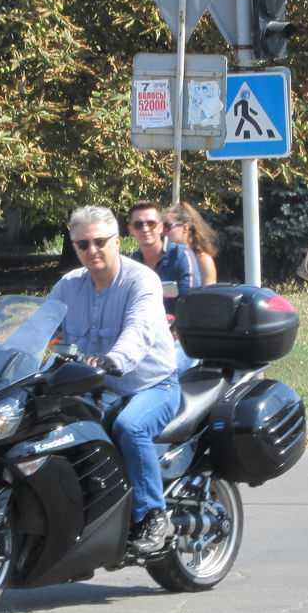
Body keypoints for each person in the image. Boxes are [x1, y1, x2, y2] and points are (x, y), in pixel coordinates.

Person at [48, 205, 180, 553]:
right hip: (95, 387)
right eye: (83, 244)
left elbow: (139, 331)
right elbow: (38, 328)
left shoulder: (141, 281)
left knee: (130, 427)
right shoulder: (67, 286)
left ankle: (153, 516)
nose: (92, 250)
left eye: (100, 241)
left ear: (118, 241)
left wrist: (112, 359)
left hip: (151, 384)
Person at [127, 201, 201, 296]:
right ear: (130, 230)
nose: (145, 229)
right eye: (138, 225)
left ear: (161, 227)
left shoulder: (181, 255)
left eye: (151, 224)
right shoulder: (132, 263)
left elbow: (189, 299)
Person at [162, 202, 219, 285]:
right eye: (159, 226)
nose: (161, 231)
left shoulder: (203, 260)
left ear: (185, 228)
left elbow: (208, 295)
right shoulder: (164, 259)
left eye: (167, 226)